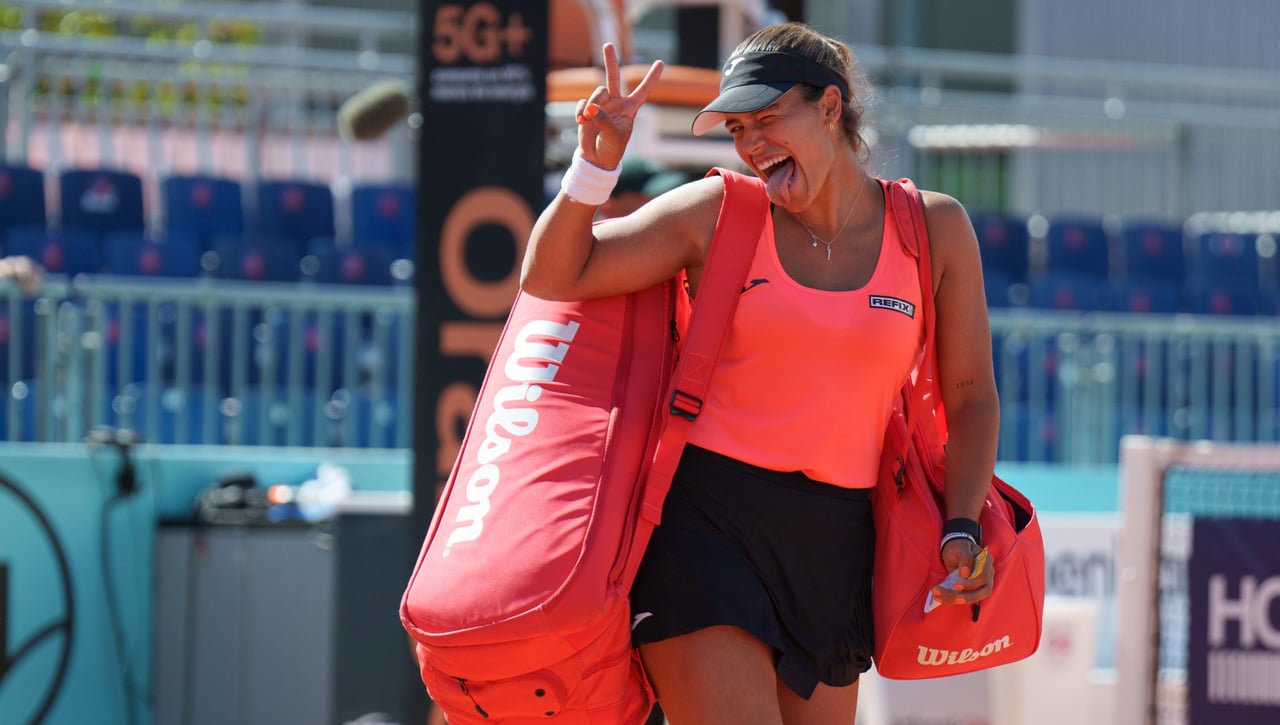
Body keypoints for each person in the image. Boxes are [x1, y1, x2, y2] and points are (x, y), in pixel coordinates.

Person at [520, 21, 998, 725]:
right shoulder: (718, 212)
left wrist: (962, 524)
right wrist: (593, 170)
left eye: (769, 118)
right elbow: (554, 274)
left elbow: (972, 397)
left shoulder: (935, 227)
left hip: (839, 542)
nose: (751, 144)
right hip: (708, 524)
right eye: (738, 127)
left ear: (830, 108)